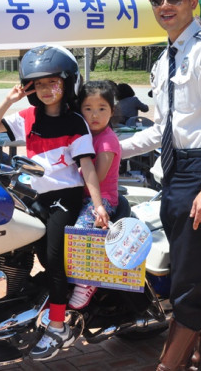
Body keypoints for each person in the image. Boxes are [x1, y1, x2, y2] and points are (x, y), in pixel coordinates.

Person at [119, 0, 201, 370]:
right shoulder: (163, 60)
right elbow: (162, 130)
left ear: (192, 1)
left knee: (188, 280)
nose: (165, 5)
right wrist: (112, 149)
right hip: (174, 174)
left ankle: (169, 365)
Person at [0, 45, 109, 361]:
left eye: (53, 82)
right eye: (38, 84)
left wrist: (98, 205)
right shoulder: (27, 117)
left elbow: (87, 166)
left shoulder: (76, 122)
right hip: (36, 197)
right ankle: (40, 303)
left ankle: (58, 325)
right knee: (29, 250)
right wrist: (9, 100)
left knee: (54, 259)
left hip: (64, 198)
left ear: (67, 83)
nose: (46, 89)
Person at [69, 80, 122, 310]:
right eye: (88, 108)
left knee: (81, 231)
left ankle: (87, 282)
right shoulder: (84, 135)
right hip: (82, 195)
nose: (94, 115)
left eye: (102, 108)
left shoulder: (107, 141)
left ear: (112, 110)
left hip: (102, 199)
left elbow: (97, 178)